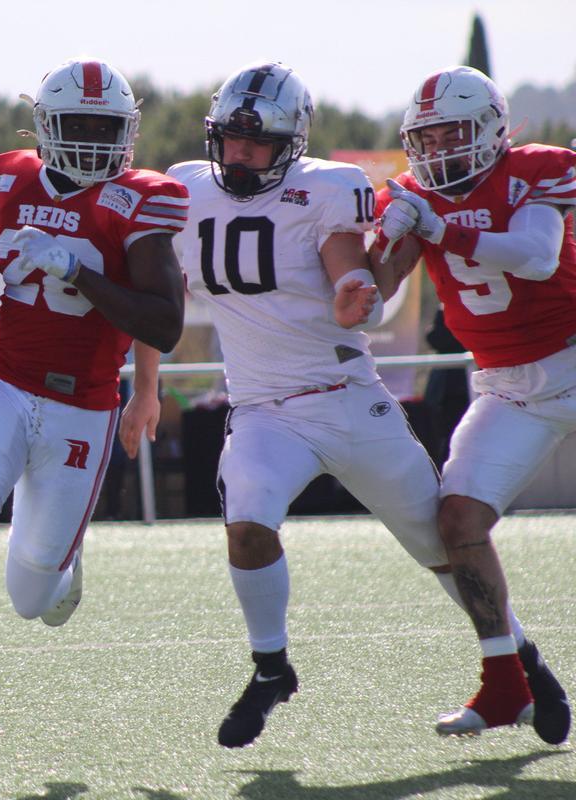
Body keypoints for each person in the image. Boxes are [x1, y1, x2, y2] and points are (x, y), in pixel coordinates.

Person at [120, 61, 555, 751]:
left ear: (290, 143)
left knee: (443, 544)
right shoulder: (185, 188)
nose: (238, 152)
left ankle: (523, 660)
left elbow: (351, 270)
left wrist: (357, 291)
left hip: (348, 401)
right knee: (247, 524)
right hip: (263, 409)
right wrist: (145, 386)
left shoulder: (328, 187)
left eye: (255, 141)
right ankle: (271, 668)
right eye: (229, 138)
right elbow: (158, 296)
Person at [0, 58, 187, 764]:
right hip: (3, 384)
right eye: (74, 125)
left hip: (82, 407)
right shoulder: (7, 181)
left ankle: (60, 564)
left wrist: (83, 278)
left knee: (30, 596)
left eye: (102, 127)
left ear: (127, 133)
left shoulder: (139, 201)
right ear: (44, 128)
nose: (88, 140)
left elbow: (163, 321)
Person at [372, 65, 572, 743]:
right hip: (508, 387)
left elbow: (539, 256)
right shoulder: (409, 195)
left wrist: (440, 227)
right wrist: (381, 241)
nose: (440, 150)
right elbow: (376, 301)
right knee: (457, 520)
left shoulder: (533, 172)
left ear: (491, 130)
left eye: (454, 132)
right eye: (426, 138)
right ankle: (503, 682)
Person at [422, 307, 470, 467]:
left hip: (459, 388)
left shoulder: (454, 308)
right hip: (445, 388)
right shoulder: (445, 307)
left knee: (456, 438)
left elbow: (437, 338)